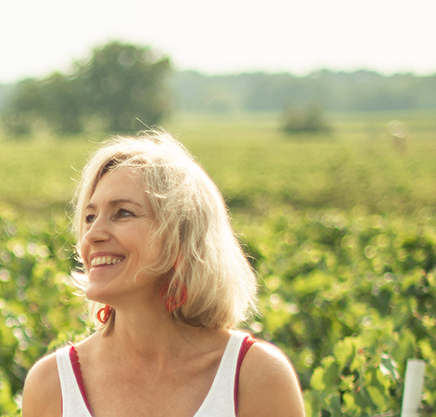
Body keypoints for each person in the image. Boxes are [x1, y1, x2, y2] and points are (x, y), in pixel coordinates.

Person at [21, 132, 304, 417]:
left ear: (180, 238)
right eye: (90, 216)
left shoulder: (256, 376)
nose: (92, 235)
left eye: (122, 213)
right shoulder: (50, 385)